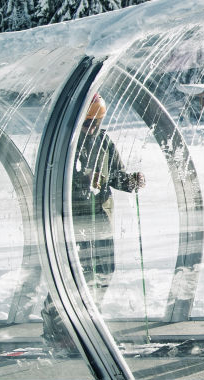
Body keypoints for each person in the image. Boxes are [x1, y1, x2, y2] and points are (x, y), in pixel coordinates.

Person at [41, 93, 147, 349]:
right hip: (71, 220)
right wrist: (82, 180)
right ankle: (57, 327)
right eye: (87, 123)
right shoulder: (64, 144)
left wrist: (130, 182)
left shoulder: (102, 141)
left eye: (95, 123)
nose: (91, 128)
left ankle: (86, 321)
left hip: (100, 217)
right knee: (71, 272)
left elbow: (115, 176)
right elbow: (51, 180)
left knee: (103, 270)